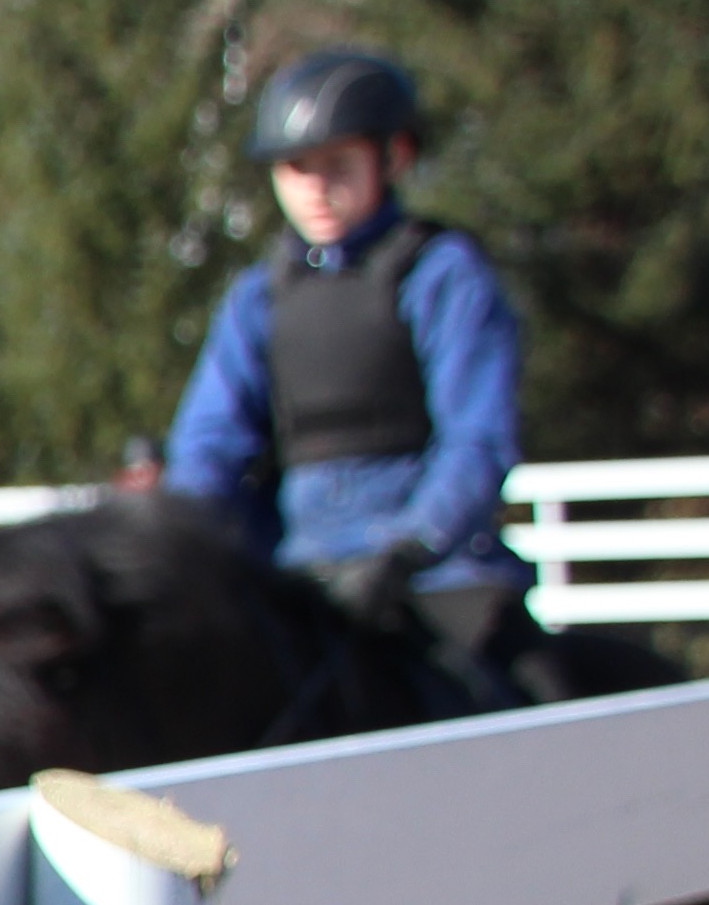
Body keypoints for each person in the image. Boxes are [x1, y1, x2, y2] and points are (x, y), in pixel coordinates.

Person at [160, 44, 571, 702]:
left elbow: (478, 440)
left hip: (436, 576)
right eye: (298, 169)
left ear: (394, 157)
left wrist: (411, 547)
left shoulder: (443, 274)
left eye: (338, 165)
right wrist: (187, 542)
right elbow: (209, 443)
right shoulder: (257, 298)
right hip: (300, 578)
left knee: (528, 700)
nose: (315, 189)